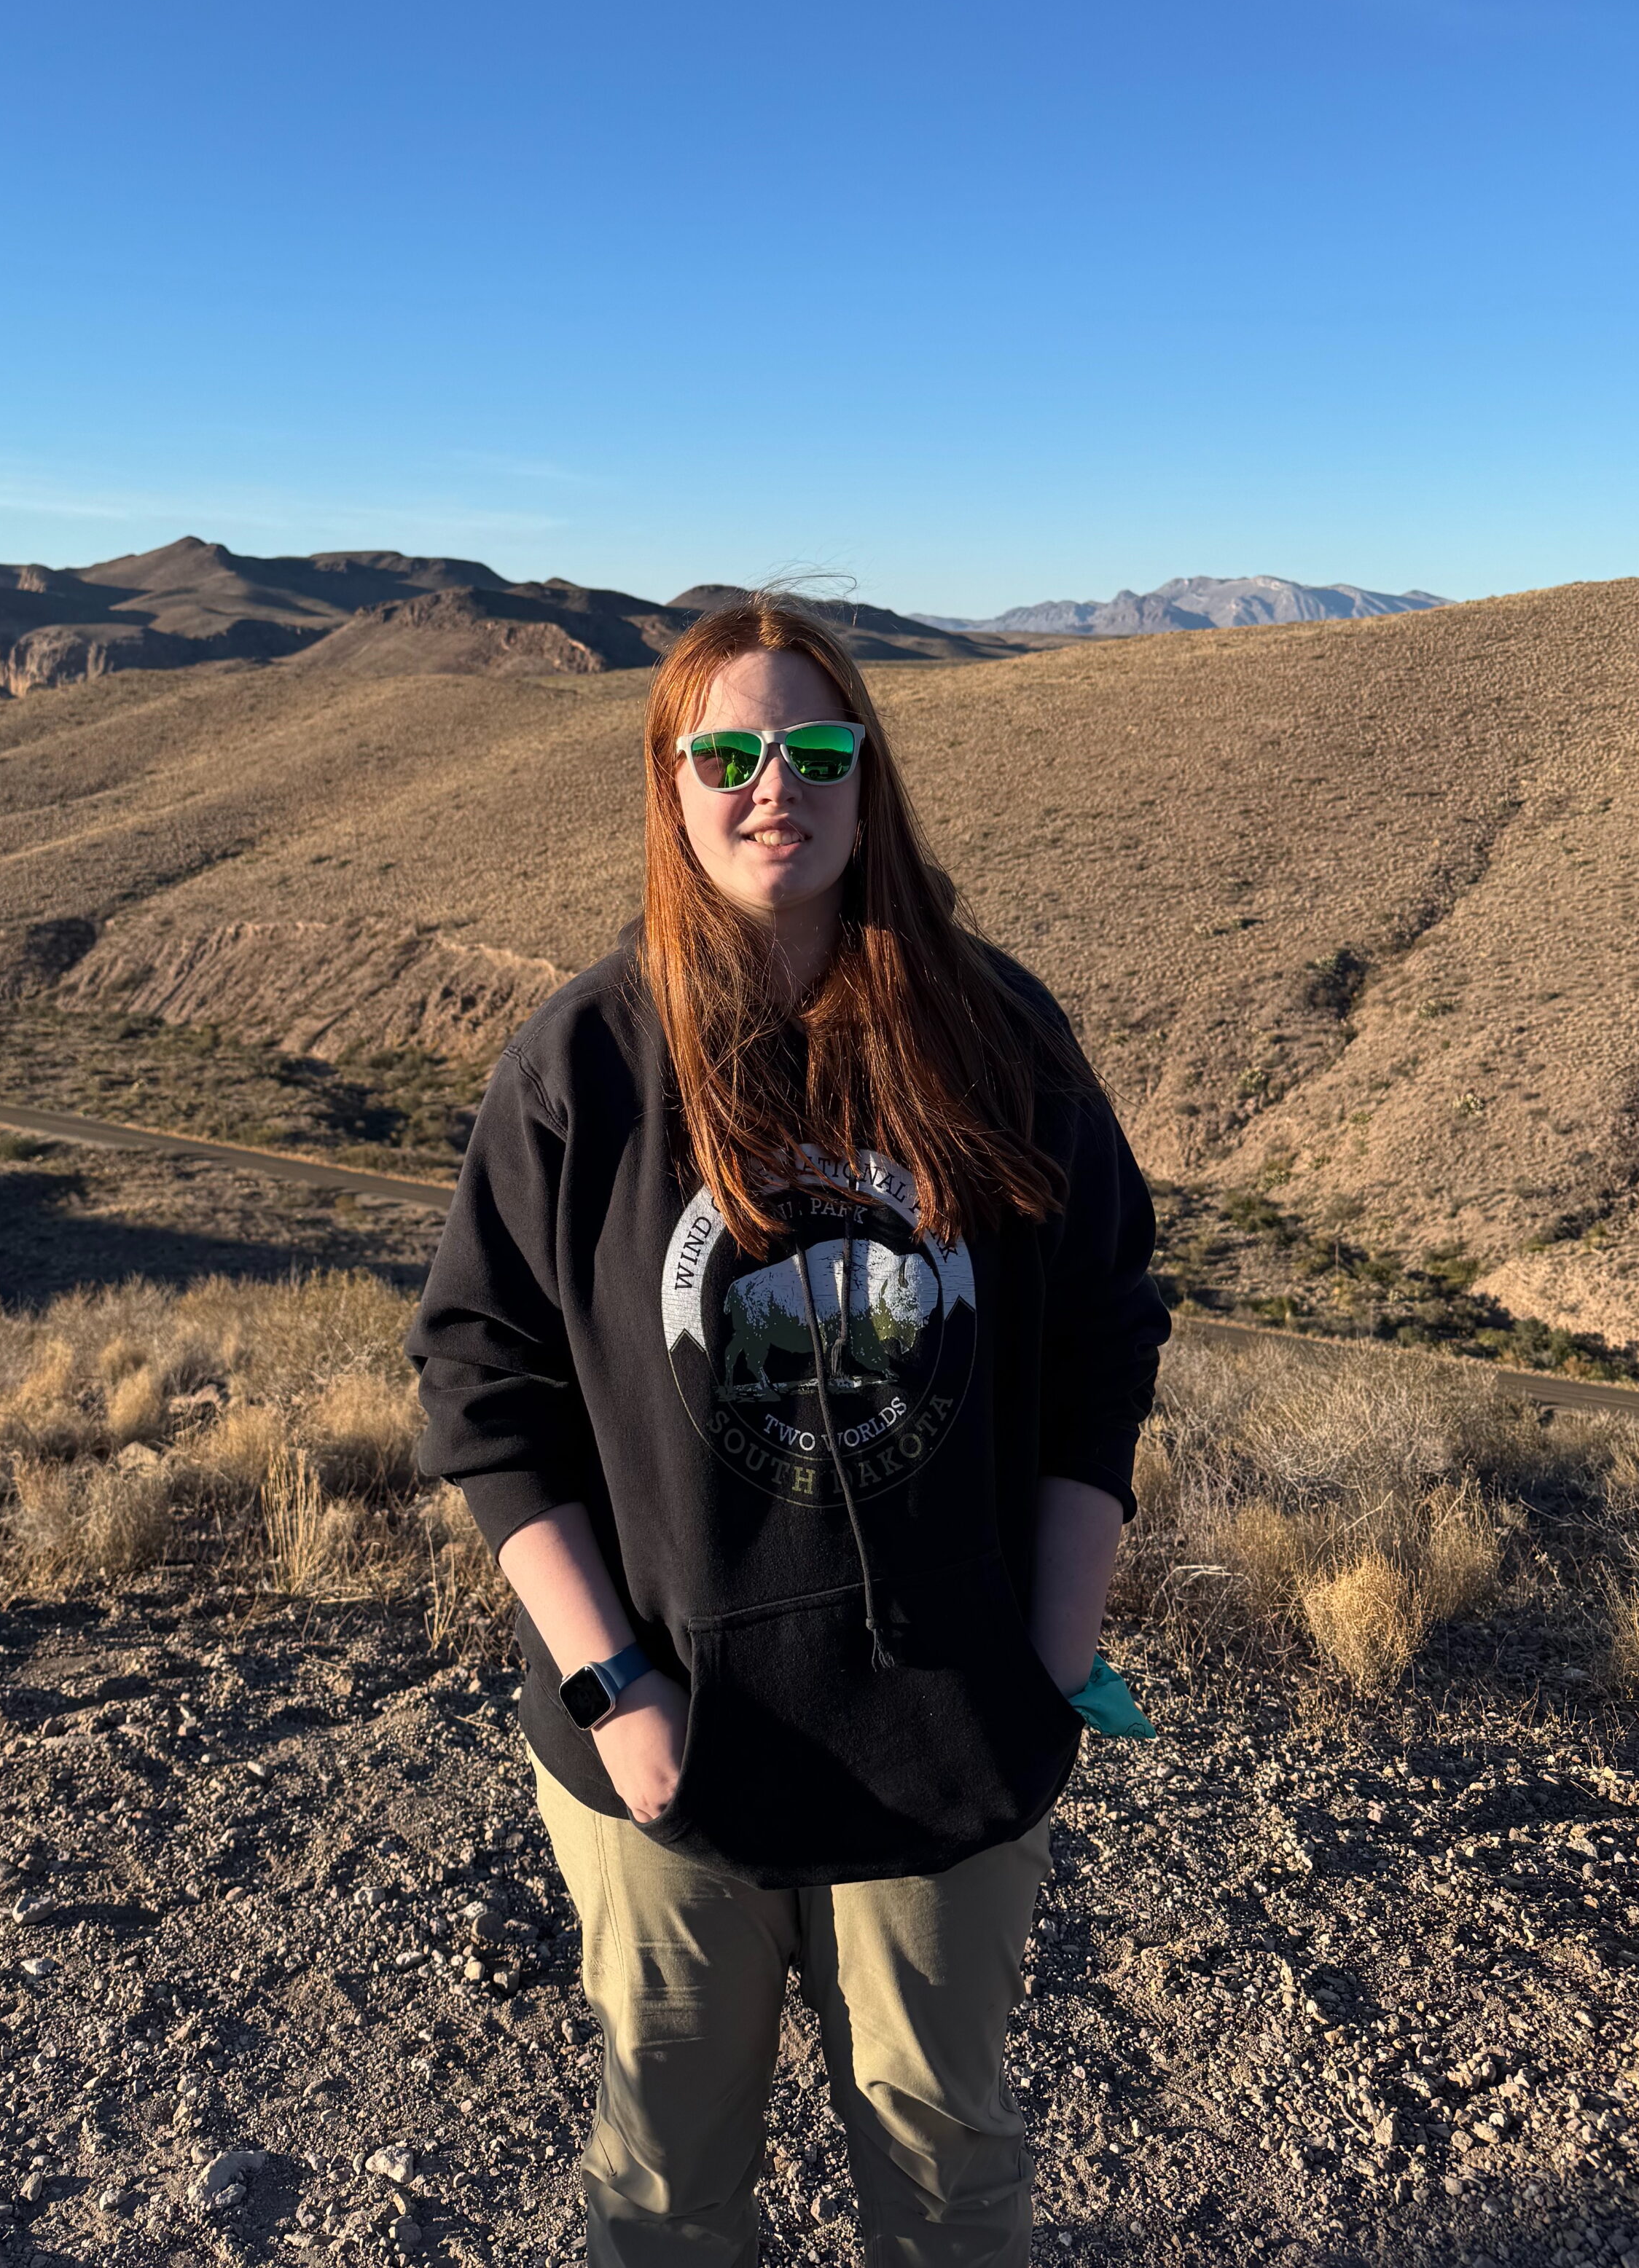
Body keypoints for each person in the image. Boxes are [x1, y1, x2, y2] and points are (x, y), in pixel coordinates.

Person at [407, 595, 1167, 2267]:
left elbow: (1107, 1326)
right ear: (669, 785)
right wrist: (615, 1685)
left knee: (951, 2161)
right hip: (663, 1738)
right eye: (728, 752)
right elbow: (485, 1384)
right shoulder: (585, 1065)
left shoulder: (996, 1034)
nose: (775, 785)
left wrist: (1051, 1637)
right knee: (671, 2180)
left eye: (816, 748)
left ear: (869, 778)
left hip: (950, 1727)